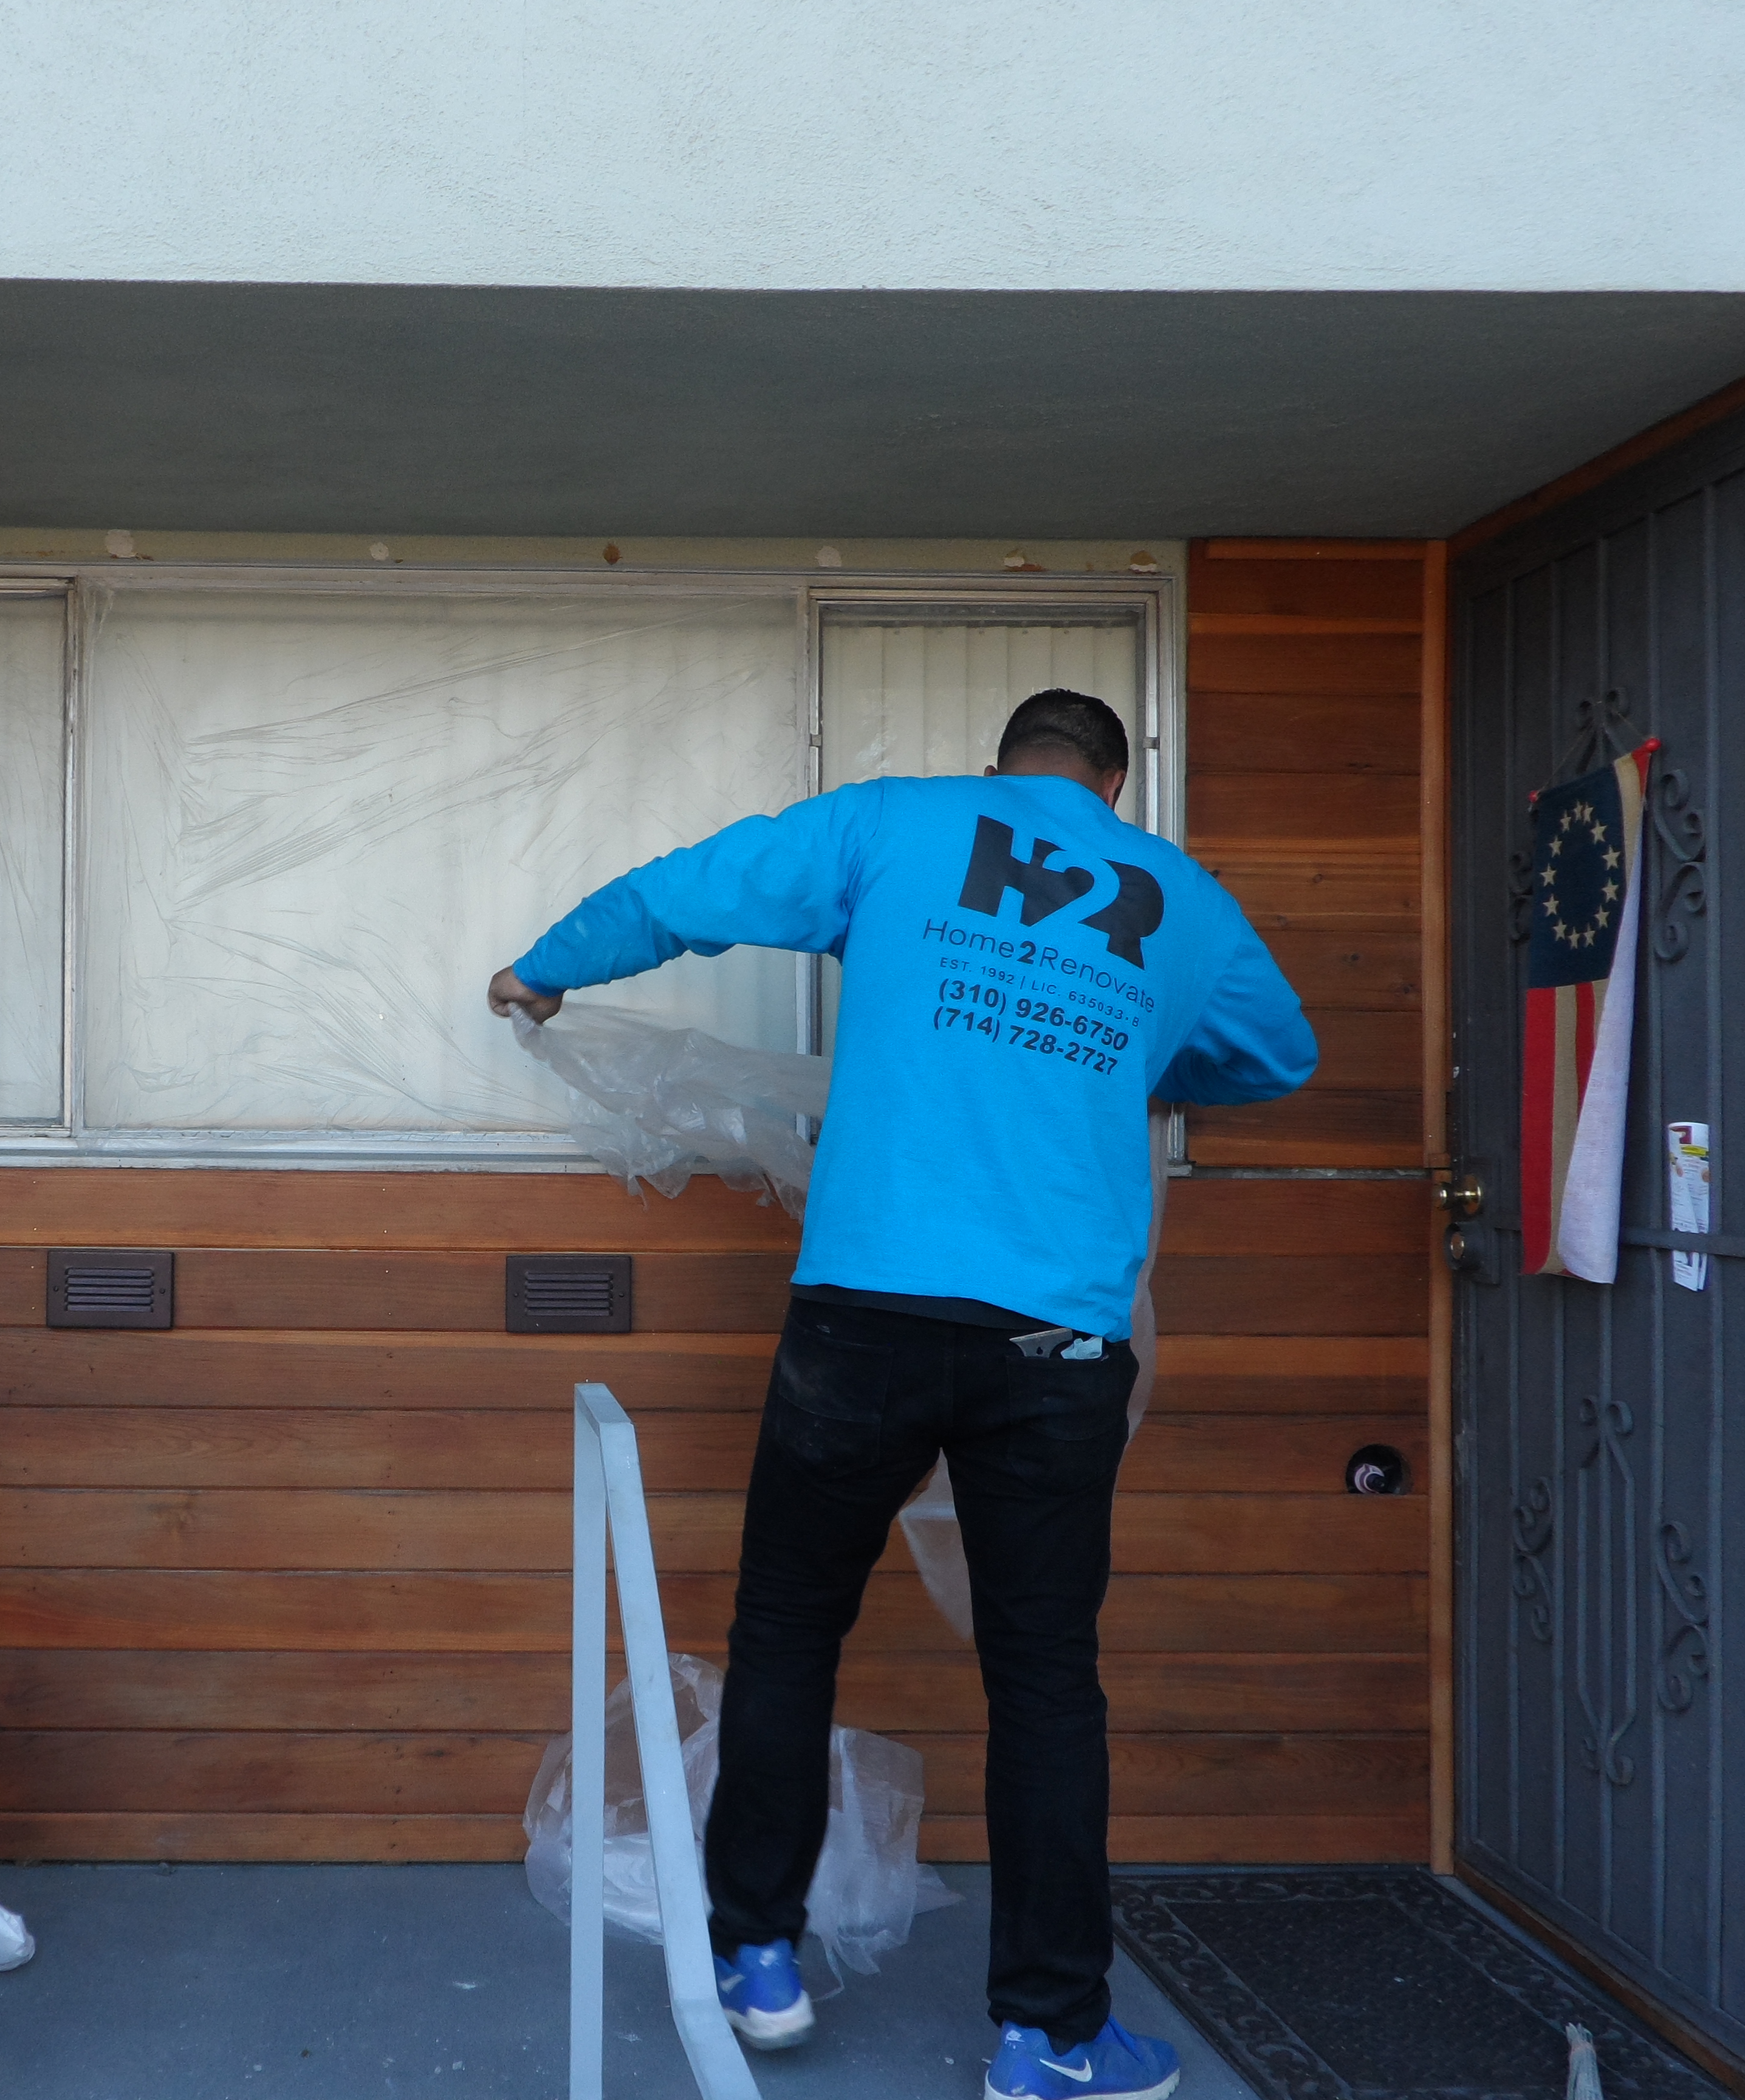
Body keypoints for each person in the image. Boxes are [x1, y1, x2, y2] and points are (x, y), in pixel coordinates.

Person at [487, 690, 1314, 2100]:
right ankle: (1050, 2039)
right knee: (1047, 1682)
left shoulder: (896, 820)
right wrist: (1118, 1053)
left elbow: (692, 891)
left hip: (863, 1318)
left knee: (788, 1628)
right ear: (1115, 782)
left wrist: (546, 968)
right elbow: (1274, 1055)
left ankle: (756, 1958)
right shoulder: (1182, 897)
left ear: (1004, 767)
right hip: (1056, 1348)